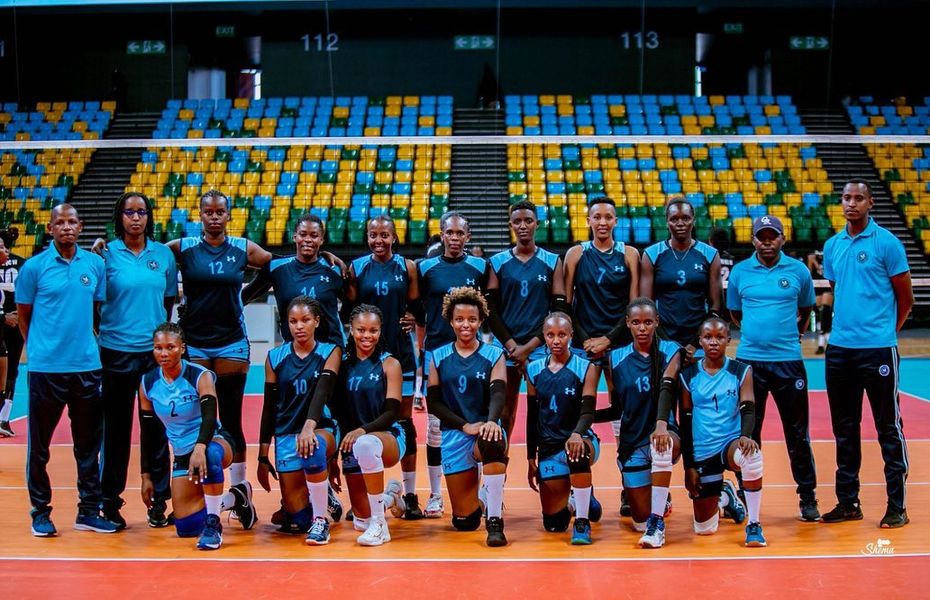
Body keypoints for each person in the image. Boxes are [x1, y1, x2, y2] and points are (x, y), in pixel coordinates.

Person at [170, 189, 271, 526]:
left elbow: (275, 265)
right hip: (194, 344)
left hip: (231, 344)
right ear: (200, 215)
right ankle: (194, 491)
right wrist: (105, 250)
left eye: (219, 212)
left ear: (228, 215)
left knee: (230, 418)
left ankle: (241, 491)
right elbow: (149, 254)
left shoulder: (242, 248)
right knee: (196, 420)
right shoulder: (184, 248)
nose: (214, 217)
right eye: (208, 212)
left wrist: (246, 295)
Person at [17, 204, 116, 536]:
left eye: (72, 221)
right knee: (40, 447)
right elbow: (24, 316)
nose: (66, 227)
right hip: (46, 369)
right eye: (59, 222)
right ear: (50, 229)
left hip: (87, 367)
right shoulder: (33, 268)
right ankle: (40, 512)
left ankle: (88, 510)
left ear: (81, 226)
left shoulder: (95, 265)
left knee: (88, 445)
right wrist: (41, 349)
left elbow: (95, 310)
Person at [822, 179, 913, 528]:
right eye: (846, 198)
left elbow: (906, 299)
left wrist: (885, 332)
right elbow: (838, 289)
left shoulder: (887, 243)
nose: (852, 203)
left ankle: (897, 505)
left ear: (870, 203)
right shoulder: (833, 245)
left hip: (877, 350)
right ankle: (848, 502)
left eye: (859, 198)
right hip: (840, 350)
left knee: (887, 427)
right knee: (845, 429)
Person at [727, 215, 819, 521]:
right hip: (750, 363)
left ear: (782, 239)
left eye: (772, 236)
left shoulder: (798, 271)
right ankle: (745, 493)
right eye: (761, 237)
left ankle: (807, 496)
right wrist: (757, 335)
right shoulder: (740, 272)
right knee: (749, 432)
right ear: (753, 240)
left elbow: (805, 308)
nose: (767, 242)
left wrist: (789, 337)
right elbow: (735, 314)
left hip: (788, 362)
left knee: (797, 433)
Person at [97, 192, 177, 529]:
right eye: (129, 212)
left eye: (141, 212)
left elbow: (168, 303)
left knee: (156, 429)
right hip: (114, 353)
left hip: (153, 356)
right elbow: (95, 303)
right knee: (115, 431)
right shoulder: (105, 255)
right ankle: (109, 502)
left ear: (148, 217)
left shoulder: (163, 255)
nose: (135, 218)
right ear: (120, 217)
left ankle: (159, 501)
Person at [139, 323, 254, 550]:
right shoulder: (148, 383)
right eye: (158, 348)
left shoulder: (199, 375)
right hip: (183, 454)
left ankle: (213, 524)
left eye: (170, 347)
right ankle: (236, 497)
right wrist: (146, 476)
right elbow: (148, 434)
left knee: (209, 456)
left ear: (182, 348)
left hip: (214, 441)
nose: (163, 353)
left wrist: (200, 446)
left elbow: (210, 416)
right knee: (186, 527)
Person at [563, 195, 640, 515]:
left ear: (616, 221)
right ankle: (582, 490)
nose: (603, 222)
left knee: (625, 415)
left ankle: (629, 487)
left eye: (608, 217)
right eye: (597, 217)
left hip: (619, 344)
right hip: (583, 345)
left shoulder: (630, 254)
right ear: (589, 221)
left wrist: (608, 339)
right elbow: (565, 304)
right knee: (577, 413)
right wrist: (586, 341)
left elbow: (634, 307)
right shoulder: (576, 254)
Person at [345, 216, 423, 519]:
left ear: (394, 237)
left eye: (384, 235)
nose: (379, 240)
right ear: (366, 237)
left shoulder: (408, 267)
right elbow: (349, 309)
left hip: (400, 355)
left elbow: (417, 307)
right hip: (365, 356)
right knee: (358, 420)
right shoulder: (357, 268)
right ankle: (363, 497)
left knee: (404, 421)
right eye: (373, 235)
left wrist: (413, 319)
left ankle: (410, 493)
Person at [416, 211, 492, 518]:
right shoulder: (425, 268)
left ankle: (482, 490)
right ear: (442, 234)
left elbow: (490, 305)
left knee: (478, 422)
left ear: (468, 236)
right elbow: (416, 308)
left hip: (474, 355)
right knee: (435, 428)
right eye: (450, 232)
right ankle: (435, 494)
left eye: (461, 233)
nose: (455, 238)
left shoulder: (480, 267)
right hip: (437, 354)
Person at [594, 298, 683, 548]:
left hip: (664, 432)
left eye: (647, 322)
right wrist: (585, 419)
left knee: (662, 445)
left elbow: (667, 386)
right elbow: (617, 408)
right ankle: (655, 506)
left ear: (657, 322)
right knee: (638, 523)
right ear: (627, 324)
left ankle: (657, 523)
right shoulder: (615, 358)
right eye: (636, 322)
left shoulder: (671, 350)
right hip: (633, 441)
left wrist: (662, 424)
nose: (642, 328)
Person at [426, 287, 508, 547]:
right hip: (455, 433)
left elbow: (498, 393)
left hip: (484, 429)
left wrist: (491, 421)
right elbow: (434, 403)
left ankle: (494, 520)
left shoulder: (494, 354)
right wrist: (464, 425)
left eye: (472, 319)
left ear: (480, 321)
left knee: (493, 441)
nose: (466, 325)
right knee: (464, 521)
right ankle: (484, 496)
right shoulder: (438, 356)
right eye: (459, 319)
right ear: (450, 321)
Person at [257, 296, 342, 545]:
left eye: (305, 320)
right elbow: (269, 407)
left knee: (312, 447)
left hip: (321, 427)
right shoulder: (275, 357)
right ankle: (321, 494)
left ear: (317, 321)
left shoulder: (330, 351)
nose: (299, 326)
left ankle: (321, 520)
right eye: (293, 321)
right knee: (297, 522)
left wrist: (308, 427)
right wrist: (262, 456)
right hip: (286, 434)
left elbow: (322, 392)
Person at [676, 318, 766, 547]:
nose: (713, 342)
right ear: (700, 341)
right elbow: (684, 423)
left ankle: (754, 524)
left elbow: (749, 408)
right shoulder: (688, 375)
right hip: (703, 450)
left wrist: (746, 435)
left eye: (719, 337)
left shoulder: (741, 371)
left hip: (730, 443)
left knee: (751, 455)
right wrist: (689, 466)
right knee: (704, 529)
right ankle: (725, 495)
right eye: (708, 337)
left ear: (728, 340)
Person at [487, 200, 565, 438]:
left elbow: (558, 311)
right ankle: (501, 458)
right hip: (506, 348)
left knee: (545, 411)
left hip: (541, 348)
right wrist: (513, 347)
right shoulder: (497, 262)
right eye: (517, 221)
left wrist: (529, 347)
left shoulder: (552, 261)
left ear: (537, 224)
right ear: (510, 224)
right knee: (504, 411)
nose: (523, 226)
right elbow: (490, 311)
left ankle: (543, 460)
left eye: (528, 221)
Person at [333, 305, 407, 545]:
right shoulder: (342, 365)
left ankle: (381, 527)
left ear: (380, 331)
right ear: (351, 330)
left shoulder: (390, 364)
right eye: (361, 330)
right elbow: (338, 413)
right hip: (352, 441)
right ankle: (391, 496)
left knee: (365, 444)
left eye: (373, 330)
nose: (367, 335)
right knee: (361, 520)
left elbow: (392, 413)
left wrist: (362, 431)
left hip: (388, 436)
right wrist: (333, 457)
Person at [525, 312, 601, 545]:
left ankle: (582, 522)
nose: (556, 340)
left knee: (576, 452)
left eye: (562, 335)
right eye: (550, 335)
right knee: (554, 524)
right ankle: (581, 499)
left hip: (581, 439)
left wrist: (577, 433)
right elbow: (532, 417)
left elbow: (588, 412)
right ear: (544, 337)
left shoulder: (585, 367)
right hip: (549, 446)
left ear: (571, 335)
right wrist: (531, 457)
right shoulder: (533, 369)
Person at [243, 213, 346, 347]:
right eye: (303, 234)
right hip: (294, 349)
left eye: (314, 235)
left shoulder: (334, 270)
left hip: (331, 348)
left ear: (321, 240)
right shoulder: (276, 268)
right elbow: (244, 297)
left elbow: (353, 304)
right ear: (295, 237)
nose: (308, 239)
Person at [640, 197, 722, 358]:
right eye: (674, 219)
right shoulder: (652, 254)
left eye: (685, 218)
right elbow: (647, 307)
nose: (680, 223)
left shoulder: (710, 254)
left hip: (699, 343)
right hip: (663, 341)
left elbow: (716, 307)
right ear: (667, 222)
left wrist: (694, 343)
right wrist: (667, 343)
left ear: (694, 220)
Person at [0, 227, 24, 438]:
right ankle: (4, 418)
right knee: (12, 370)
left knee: (10, 369)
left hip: (10, 320)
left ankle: (3, 418)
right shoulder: (23, 263)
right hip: (14, 320)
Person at [806, 250, 832, 354]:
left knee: (825, 312)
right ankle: (822, 345)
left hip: (827, 284)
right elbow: (809, 273)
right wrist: (813, 261)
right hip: (817, 286)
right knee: (819, 316)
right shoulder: (812, 256)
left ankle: (827, 344)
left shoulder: (830, 255)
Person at [708, 227, 733, 323]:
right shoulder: (732, 259)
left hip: (714, 296)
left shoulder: (709, 258)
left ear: (711, 241)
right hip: (729, 296)